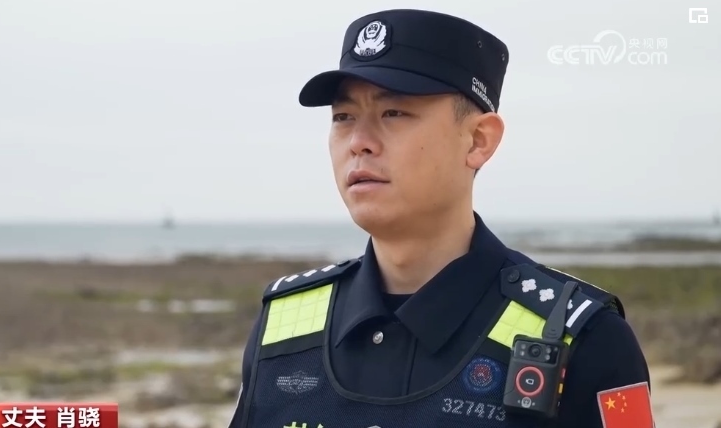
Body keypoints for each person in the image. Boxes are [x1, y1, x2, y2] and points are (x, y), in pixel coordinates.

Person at [227, 8, 652, 428]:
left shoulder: (585, 339)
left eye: (394, 113)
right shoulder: (281, 329)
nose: (358, 141)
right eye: (343, 117)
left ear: (478, 140)